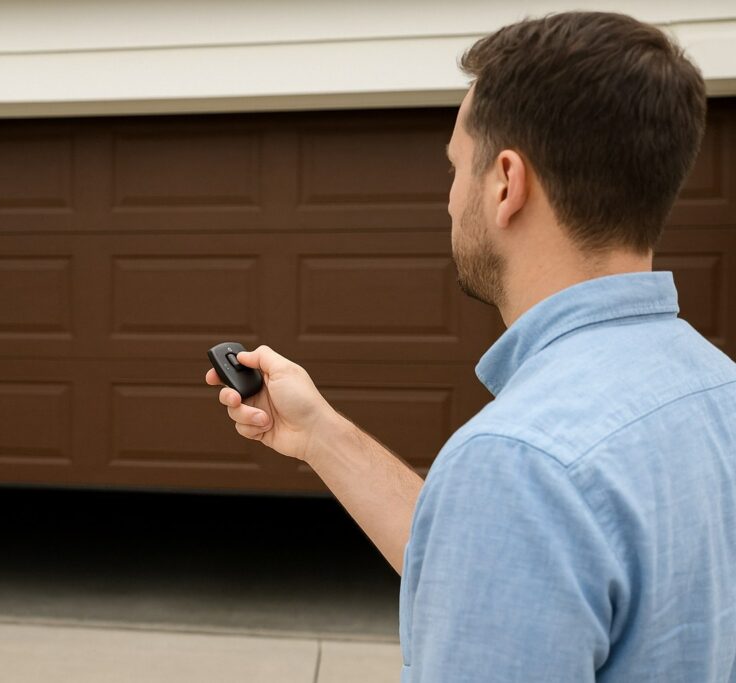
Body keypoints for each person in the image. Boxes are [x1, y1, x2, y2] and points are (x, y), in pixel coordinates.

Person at [206, 11, 736, 682]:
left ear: (506, 184)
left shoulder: (521, 462)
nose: (450, 200)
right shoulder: (717, 390)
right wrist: (320, 434)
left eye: (456, 167)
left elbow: (518, 504)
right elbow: (488, 558)